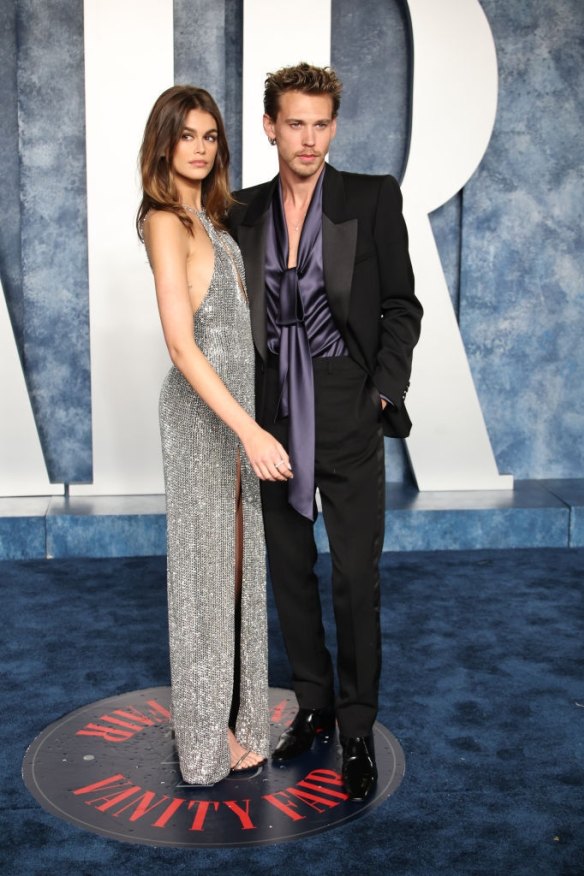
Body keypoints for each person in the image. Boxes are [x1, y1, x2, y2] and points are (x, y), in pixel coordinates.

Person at [227, 63, 422, 800]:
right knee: (290, 573)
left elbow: (402, 306)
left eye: (321, 124)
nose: (308, 139)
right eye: (294, 123)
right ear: (270, 128)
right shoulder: (239, 210)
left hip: (345, 404)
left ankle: (357, 729)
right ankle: (312, 705)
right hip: (271, 413)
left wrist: (380, 392)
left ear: (333, 127)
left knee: (353, 576)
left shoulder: (371, 198)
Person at [136, 85, 292, 785]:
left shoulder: (212, 218)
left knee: (234, 573)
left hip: (234, 418)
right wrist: (250, 431)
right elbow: (181, 344)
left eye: (210, 136)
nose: (200, 147)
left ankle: (234, 721)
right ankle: (206, 740)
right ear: (164, 142)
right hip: (204, 420)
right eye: (188, 135)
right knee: (204, 579)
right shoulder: (165, 220)